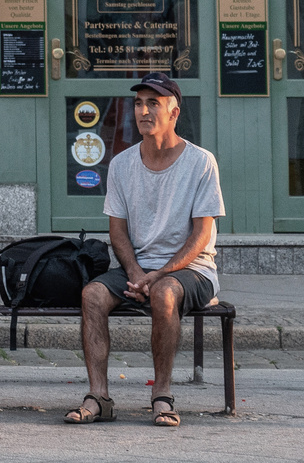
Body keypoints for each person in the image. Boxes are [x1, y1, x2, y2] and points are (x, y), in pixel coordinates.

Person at [64, 72, 225, 428]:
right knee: (92, 294)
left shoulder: (201, 162)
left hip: (193, 269)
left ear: (174, 112)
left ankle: (162, 395)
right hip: (140, 268)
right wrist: (137, 273)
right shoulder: (122, 164)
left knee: (164, 294)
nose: (143, 111)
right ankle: (99, 397)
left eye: (153, 103)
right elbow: (117, 232)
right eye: (138, 103)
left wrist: (160, 274)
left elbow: (201, 235)